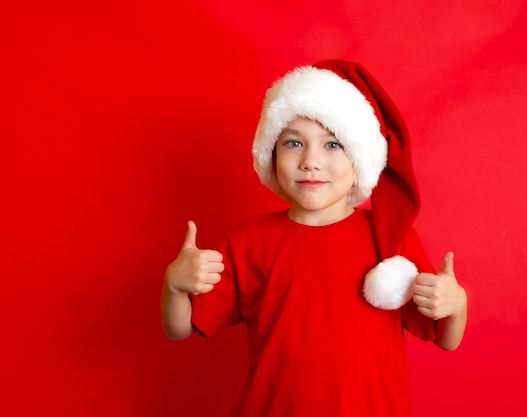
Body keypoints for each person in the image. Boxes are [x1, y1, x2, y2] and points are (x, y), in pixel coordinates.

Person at [160, 59, 467, 417]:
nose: (310, 161)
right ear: (271, 155)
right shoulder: (250, 242)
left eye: (333, 145)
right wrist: (174, 285)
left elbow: (446, 338)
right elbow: (179, 328)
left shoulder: (392, 240)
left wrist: (456, 304)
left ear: (361, 160)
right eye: (293, 142)